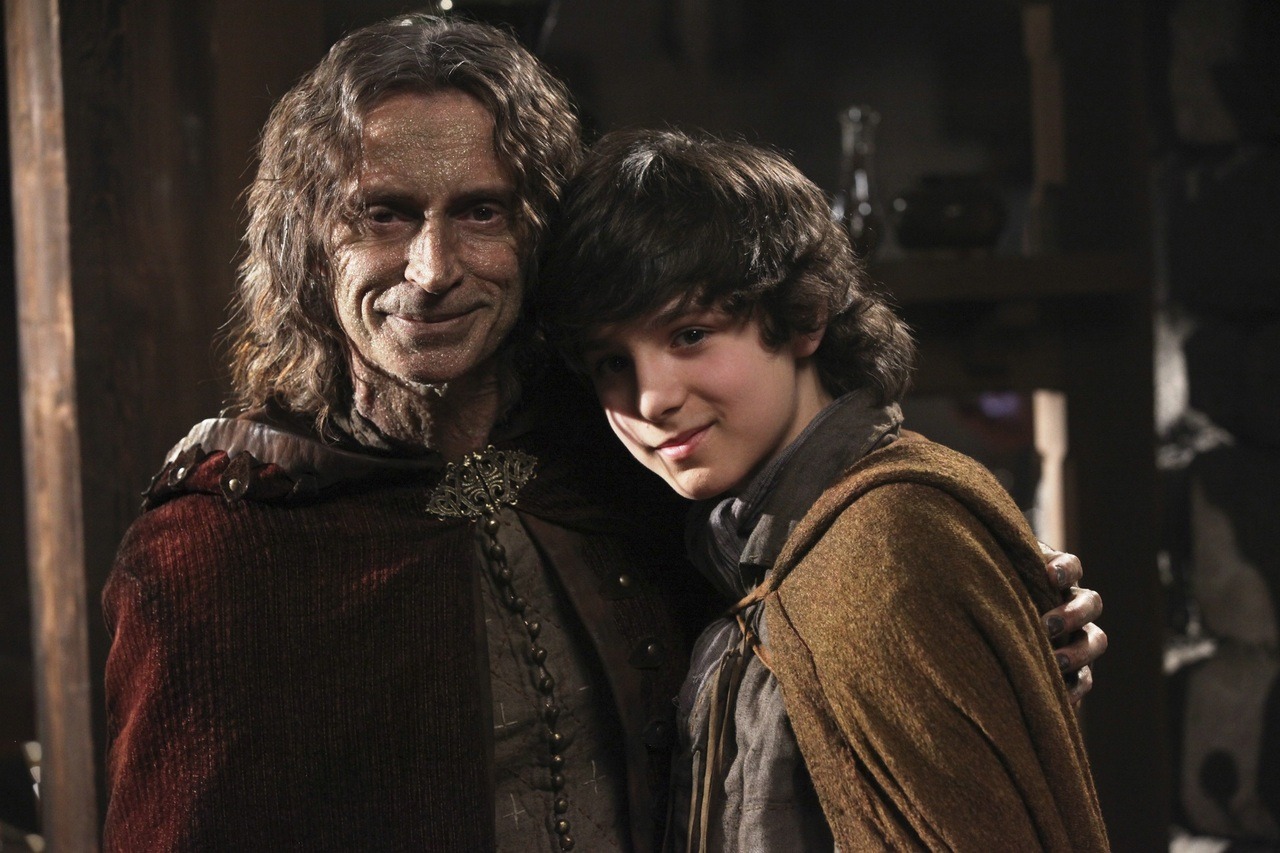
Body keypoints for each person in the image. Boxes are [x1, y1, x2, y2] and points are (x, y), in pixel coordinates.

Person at [101, 15, 1105, 853]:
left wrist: (989, 629)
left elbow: (833, 631)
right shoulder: (223, 547)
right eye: (383, 215)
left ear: (537, 228)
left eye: (481, 212)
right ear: (308, 243)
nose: (433, 268)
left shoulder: (629, 468)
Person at [535, 128, 1111, 851]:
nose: (651, 398)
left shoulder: (888, 538)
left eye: (690, 335)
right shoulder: (745, 550)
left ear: (804, 316)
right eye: (613, 362)